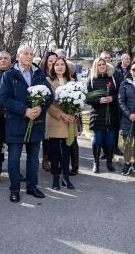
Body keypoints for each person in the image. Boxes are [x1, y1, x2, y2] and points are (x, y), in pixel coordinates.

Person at [0, 45, 53, 203]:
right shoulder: (9, 75)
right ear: (18, 56)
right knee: (14, 159)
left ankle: (32, 186)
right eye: (26, 54)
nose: (29, 57)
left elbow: (49, 96)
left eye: (31, 54)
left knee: (33, 159)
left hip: (36, 123)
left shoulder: (39, 74)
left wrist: (40, 107)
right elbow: (5, 99)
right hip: (16, 123)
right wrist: (24, 110)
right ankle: (15, 189)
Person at [0, 51, 25, 185]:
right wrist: (8, 106)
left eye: (6, 58)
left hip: (15, 118)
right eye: (0, 58)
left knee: (14, 148)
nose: (3, 60)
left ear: (11, 60)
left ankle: (15, 172)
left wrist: (14, 108)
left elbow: (20, 95)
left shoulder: (17, 74)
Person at [46, 57, 77, 190]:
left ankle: (65, 178)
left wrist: (74, 114)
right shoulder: (47, 81)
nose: (59, 67)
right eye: (56, 64)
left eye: (62, 64)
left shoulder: (73, 81)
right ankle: (55, 178)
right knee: (54, 153)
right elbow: (48, 104)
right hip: (55, 120)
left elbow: (78, 101)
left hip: (70, 121)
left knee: (66, 152)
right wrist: (61, 114)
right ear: (52, 67)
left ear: (66, 67)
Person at [86, 57, 120, 173]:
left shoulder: (113, 78)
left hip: (111, 113)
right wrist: (99, 100)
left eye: (103, 64)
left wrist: (112, 98)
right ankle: (96, 163)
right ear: (95, 66)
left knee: (110, 139)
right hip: (97, 114)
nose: (102, 66)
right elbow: (87, 98)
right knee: (98, 139)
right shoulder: (91, 80)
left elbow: (119, 94)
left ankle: (109, 162)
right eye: (99, 64)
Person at [55, 48, 80, 175]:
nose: (60, 64)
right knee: (60, 144)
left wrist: (75, 113)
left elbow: (79, 98)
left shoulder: (72, 79)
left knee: (72, 141)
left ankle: (75, 166)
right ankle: (60, 166)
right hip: (58, 117)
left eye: (62, 60)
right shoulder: (51, 79)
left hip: (71, 116)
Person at [101, 51, 123, 157]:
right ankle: (105, 151)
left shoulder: (117, 72)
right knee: (103, 128)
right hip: (102, 106)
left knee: (114, 128)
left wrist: (113, 98)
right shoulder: (97, 73)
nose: (107, 60)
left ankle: (115, 148)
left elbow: (121, 89)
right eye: (105, 58)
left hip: (115, 105)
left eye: (108, 58)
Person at [38, 51, 58, 171]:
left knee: (55, 137)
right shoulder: (40, 74)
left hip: (57, 110)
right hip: (45, 110)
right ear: (46, 63)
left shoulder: (60, 72)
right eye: (50, 61)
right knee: (46, 137)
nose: (53, 64)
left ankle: (54, 159)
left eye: (55, 61)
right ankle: (46, 159)